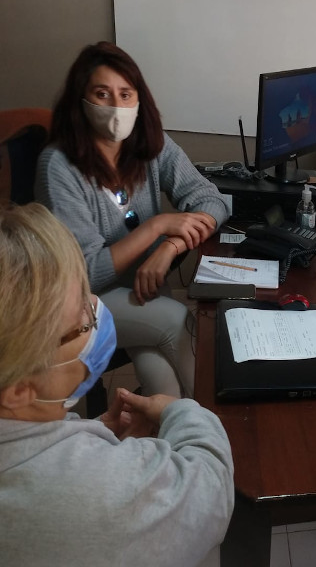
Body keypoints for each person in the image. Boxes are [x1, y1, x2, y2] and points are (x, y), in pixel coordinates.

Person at [0, 203, 234, 566]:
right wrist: (181, 411)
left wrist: (93, 433)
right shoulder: (99, 491)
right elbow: (212, 489)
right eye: (83, 318)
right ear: (18, 389)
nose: (97, 307)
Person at [35, 41, 231, 398]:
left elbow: (212, 201)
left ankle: (174, 428)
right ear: (80, 100)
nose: (116, 105)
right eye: (102, 94)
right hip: (79, 302)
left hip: (143, 288)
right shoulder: (59, 166)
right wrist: (157, 227)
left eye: (125, 94)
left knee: (162, 376)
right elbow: (85, 272)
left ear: (139, 99)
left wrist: (170, 247)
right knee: (176, 322)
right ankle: (214, 419)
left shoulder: (150, 145)